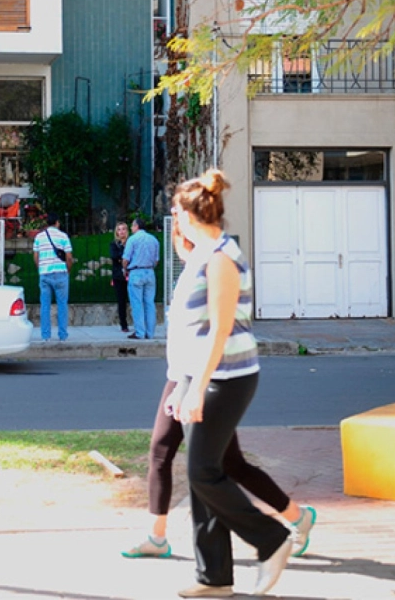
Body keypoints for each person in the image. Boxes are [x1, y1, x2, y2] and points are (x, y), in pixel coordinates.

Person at [122, 219, 316, 565]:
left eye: (180, 228)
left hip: (203, 378)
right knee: (162, 452)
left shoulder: (215, 263)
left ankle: (289, 522)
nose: (178, 237)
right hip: (182, 376)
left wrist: (190, 386)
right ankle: (157, 536)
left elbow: (214, 329)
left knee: (223, 465)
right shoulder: (192, 268)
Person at [167, 169, 294, 597]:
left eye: (176, 213)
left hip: (227, 377)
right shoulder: (202, 254)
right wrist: (183, 383)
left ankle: (272, 539)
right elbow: (191, 328)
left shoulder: (221, 258)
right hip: (202, 374)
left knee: (203, 472)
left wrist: (197, 389)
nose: (173, 219)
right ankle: (214, 577)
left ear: (189, 214)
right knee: (207, 473)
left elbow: (220, 330)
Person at [33, 211, 73, 342]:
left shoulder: (39, 237)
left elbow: (36, 256)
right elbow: (69, 257)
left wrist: (40, 268)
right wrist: (68, 270)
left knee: (45, 305)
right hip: (60, 273)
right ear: (57, 223)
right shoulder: (63, 236)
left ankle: (45, 336)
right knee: (62, 305)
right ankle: (62, 335)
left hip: (44, 273)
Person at [122, 217, 159, 340]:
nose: (131, 228)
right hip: (150, 272)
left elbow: (126, 259)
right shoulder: (153, 239)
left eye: (132, 225)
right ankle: (150, 332)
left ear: (137, 226)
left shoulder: (132, 239)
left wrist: (125, 269)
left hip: (136, 271)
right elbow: (156, 260)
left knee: (137, 303)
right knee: (149, 303)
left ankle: (140, 332)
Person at [109, 221, 130, 332]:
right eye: (119, 229)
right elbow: (114, 256)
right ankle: (123, 324)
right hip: (119, 275)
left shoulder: (131, 242)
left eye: (123, 229)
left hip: (131, 274)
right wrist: (124, 256)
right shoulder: (114, 244)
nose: (121, 232)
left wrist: (122, 258)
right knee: (121, 300)